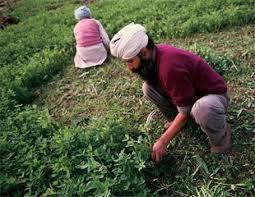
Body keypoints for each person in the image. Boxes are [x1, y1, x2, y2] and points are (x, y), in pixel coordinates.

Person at [110, 23, 231, 162]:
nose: (129, 68)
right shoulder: (154, 55)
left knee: (202, 109)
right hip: (190, 95)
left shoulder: (170, 67)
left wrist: (163, 141)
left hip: (212, 97)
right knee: (148, 88)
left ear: (143, 52)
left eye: (130, 61)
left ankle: (222, 136)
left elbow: (185, 111)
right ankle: (176, 120)